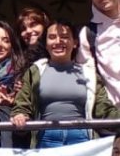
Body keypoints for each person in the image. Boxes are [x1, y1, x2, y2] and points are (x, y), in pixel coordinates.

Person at [11, 18, 93, 148]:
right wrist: (20, 115)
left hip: (82, 137)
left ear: (75, 42)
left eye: (65, 37)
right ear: (46, 44)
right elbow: (23, 103)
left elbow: (103, 108)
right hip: (46, 137)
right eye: (52, 37)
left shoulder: (89, 73)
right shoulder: (35, 71)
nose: (58, 41)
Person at [0, 20, 29, 145]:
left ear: (12, 45)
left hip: (12, 139)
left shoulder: (22, 72)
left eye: (6, 40)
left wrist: (12, 104)